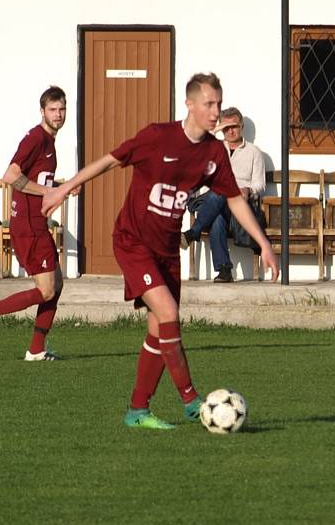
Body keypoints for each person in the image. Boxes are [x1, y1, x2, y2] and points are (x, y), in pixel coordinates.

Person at [42, 72, 279, 430]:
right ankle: (189, 399)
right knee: (168, 312)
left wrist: (263, 244)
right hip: (133, 241)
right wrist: (63, 190)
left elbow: (233, 199)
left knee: (158, 329)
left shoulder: (214, 153)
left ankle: (138, 411)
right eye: (209, 104)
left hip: (168, 249)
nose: (216, 113)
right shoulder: (158, 137)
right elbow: (108, 161)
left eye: (218, 103)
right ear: (190, 104)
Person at [0, 85, 76, 360]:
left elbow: (39, 181)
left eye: (62, 109)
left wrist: (61, 187)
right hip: (28, 226)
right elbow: (10, 175)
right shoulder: (36, 139)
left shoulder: (49, 141)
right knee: (47, 289)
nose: (58, 114)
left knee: (57, 285)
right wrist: (51, 192)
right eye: (53, 109)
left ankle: (37, 350)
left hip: (37, 223)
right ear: (42, 111)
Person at [180, 107, 266, 283]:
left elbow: (260, 184)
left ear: (241, 127)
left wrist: (248, 189)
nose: (230, 131)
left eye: (233, 126)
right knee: (217, 218)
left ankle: (193, 233)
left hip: (239, 206)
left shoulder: (253, 152)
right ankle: (224, 271)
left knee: (223, 190)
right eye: (225, 127)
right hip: (213, 202)